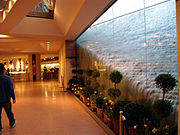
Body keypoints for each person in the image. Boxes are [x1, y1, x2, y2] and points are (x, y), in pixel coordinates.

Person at [0, 63, 16, 133]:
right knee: (9, 112)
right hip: (6, 99)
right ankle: (12, 123)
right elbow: (11, 89)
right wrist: (13, 97)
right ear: (3, 70)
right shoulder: (7, 78)